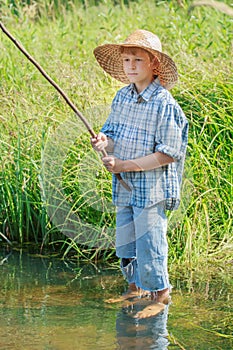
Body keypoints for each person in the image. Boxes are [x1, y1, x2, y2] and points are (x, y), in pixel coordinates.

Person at [91, 29, 188, 319]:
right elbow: (112, 133)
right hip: (125, 187)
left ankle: (161, 295)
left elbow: (168, 153)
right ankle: (135, 289)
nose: (130, 66)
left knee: (150, 243)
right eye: (126, 60)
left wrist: (124, 165)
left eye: (138, 60)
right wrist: (103, 141)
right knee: (126, 241)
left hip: (151, 189)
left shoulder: (164, 104)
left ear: (154, 65)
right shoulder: (122, 97)